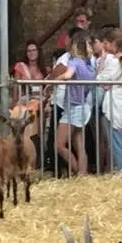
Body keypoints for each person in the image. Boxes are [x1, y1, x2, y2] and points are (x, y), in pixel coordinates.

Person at [50, 30, 94, 175]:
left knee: (59, 145)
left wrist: (55, 80)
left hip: (73, 107)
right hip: (83, 106)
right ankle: (82, 173)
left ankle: (78, 173)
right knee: (79, 145)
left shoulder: (74, 61)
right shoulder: (89, 65)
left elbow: (68, 75)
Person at [96, 27, 122, 173]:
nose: (104, 46)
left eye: (106, 43)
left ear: (113, 43)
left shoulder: (116, 61)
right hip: (121, 100)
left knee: (117, 141)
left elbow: (101, 78)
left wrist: (102, 64)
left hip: (115, 103)